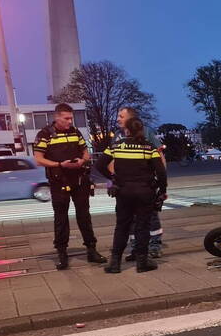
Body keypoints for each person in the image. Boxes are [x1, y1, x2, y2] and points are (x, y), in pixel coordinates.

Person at [33, 103, 106, 270]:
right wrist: (60, 164)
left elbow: (86, 152)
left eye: (71, 118)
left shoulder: (75, 131)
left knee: (84, 216)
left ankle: (91, 250)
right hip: (59, 181)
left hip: (79, 180)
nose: (70, 121)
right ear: (57, 118)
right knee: (61, 218)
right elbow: (38, 159)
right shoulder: (45, 134)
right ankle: (62, 253)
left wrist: (82, 160)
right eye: (66, 118)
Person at [95, 117, 168, 274]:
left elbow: (99, 165)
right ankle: (142, 262)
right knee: (142, 227)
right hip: (145, 193)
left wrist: (113, 178)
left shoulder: (116, 146)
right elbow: (161, 172)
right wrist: (162, 191)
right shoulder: (148, 148)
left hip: (123, 192)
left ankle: (115, 263)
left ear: (126, 130)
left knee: (122, 226)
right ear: (141, 130)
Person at [115, 108, 166, 259]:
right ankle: (136, 248)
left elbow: (159, 155)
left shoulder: (147, 132)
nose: (118, 119)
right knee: (130, 219)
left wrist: (159, 181)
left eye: (121, 116)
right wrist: (114, 179)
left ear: (130, 119)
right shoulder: (117, 135)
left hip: (145, 184)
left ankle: (154, 245)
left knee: (151, 216)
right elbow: (112, 159)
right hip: (126, 185)